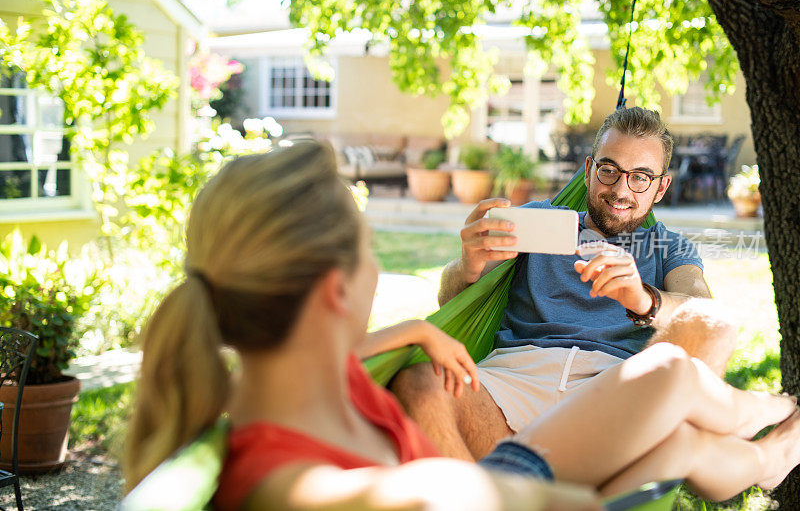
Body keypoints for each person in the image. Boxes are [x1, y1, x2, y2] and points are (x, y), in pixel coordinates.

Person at [124, 142, 800, 511]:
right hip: (512, 479)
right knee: (670, 387)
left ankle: (764, 444)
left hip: (512, 468)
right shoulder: (310, 484)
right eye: (369, 248)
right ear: (337, 289)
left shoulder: (290, 384)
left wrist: (416, 330)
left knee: (671, 396)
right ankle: (765, 414)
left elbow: (357, 350)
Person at [389, 107, 739, 460]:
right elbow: (452, 300)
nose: (621, 190)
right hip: (514, 380)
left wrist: (643, 298)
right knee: (418, 385)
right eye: (609, 171)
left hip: (611, 393)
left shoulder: (668, 246)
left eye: (640, 178)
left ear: (661, 187)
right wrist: (468, 262)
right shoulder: (538, 221)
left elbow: (704, 311)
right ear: (588, 171)